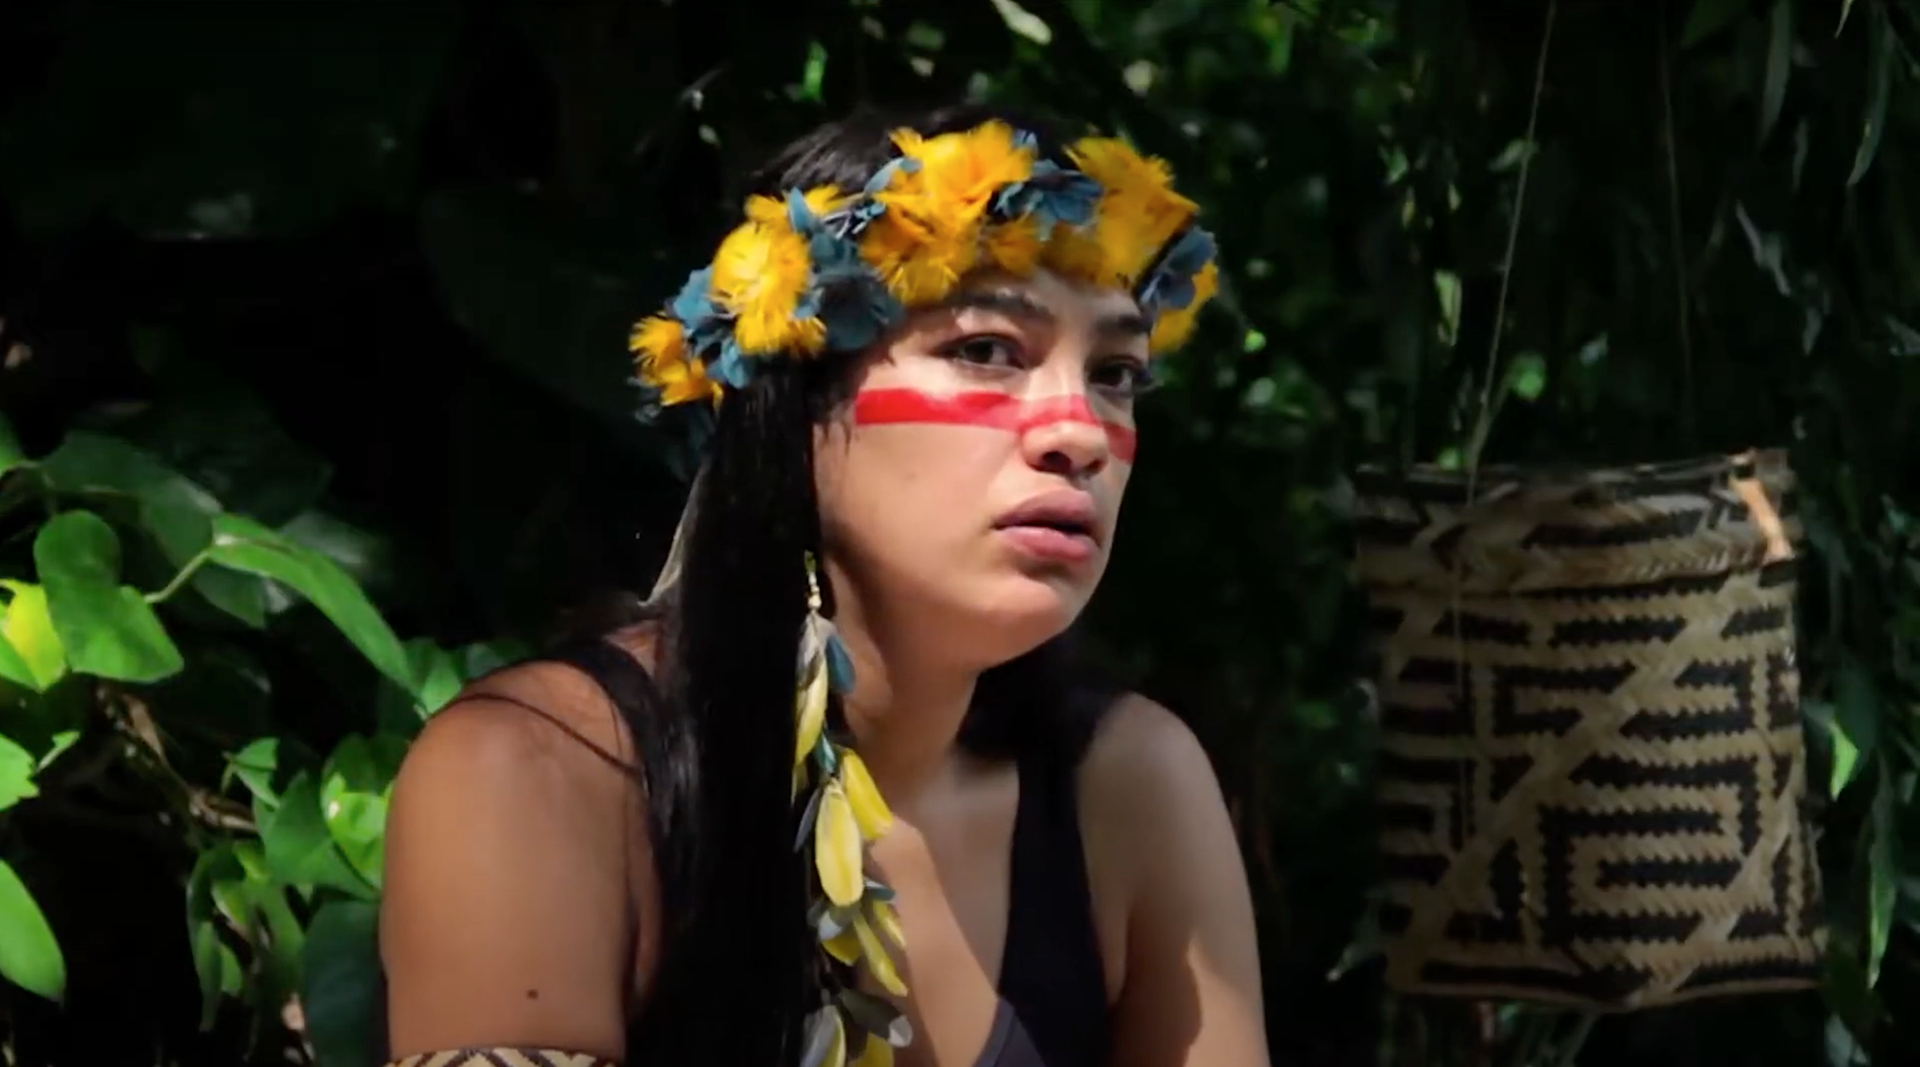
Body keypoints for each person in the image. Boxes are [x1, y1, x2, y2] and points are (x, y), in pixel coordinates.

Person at [376, 102, 1268, 1067]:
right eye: (984, 350)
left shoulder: (1129, 788)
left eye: (1117, 372)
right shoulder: (539, 773)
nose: (1080, 431)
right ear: (793, 406)